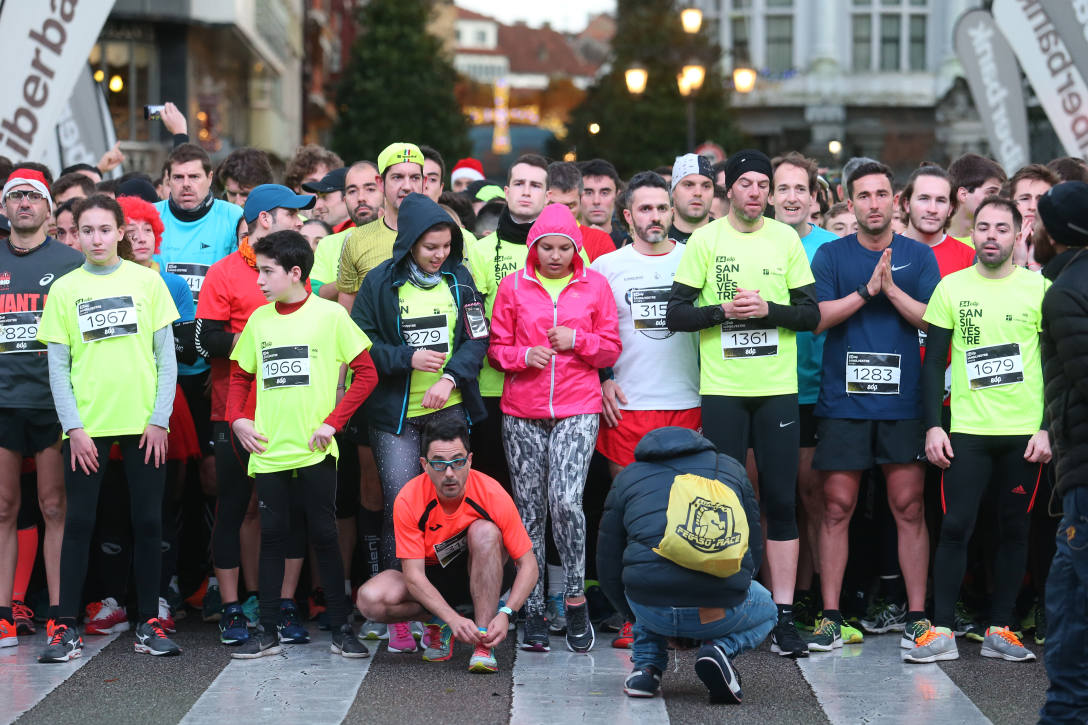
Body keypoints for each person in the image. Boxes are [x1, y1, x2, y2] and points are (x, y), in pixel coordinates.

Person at [666, 149, 819, 658]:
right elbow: (677, 314)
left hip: (776, 390)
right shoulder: (706, 240)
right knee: (718, 502)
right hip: (724, 391)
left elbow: (809, 314)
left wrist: (769, 310)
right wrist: (722, 311)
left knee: (780, 501)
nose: (755, 192)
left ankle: (783, 616)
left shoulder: (786, 239)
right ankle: (717, 609)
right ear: (728, 187)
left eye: (763, 185)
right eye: (746, 183)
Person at [903, 196, 1049, 665]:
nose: (991, 236)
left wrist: (1047, 428)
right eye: (983, 227)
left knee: (1013, 531)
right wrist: (932, 426)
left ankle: (1000, 629)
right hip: (965, 430)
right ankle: (941, 631)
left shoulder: (1038, 289)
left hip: (1023, 434)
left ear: (1019, 232)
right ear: (973, 230)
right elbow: (932, 367)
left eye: (1001, 228)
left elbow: (1056, 365)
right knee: (955, 528)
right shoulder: (951, 287)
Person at [37, 195, 181, 662]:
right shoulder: (64, 289)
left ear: (121, 231)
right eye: (87, 230)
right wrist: (73, 428)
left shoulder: (147, 282)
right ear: (75, 234)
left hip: (144, 425)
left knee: (148, 522)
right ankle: (65, 628)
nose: (96, 238)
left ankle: (149, 624)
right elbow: (58, 368)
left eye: (105, 229)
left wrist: (160, 419)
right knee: (79, 524)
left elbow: (166, 359)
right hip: (86, 428)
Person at [808, 161, 940, 654]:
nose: (874, 204)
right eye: (864, 196)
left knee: (908, 506)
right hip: (844, 402)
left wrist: (891, 289)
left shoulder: (918, 256)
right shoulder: (831, 256)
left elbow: (930, 320)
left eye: (882, 194)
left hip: (903, 402)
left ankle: (918, 615)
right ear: (850, 203)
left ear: (896, 200)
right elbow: (817, 320)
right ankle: (830, 615)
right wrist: (866, 291)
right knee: (837, 507)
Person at [227, 229, 377, 659]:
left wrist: (333, 423)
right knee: (273, 537)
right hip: (269, 449)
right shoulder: (260, 319)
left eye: (268, 272)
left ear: (295, 273)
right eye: (259, 271)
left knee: (325, 536)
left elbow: (366, 373)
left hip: (315, 449)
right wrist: (237, 418)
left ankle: (340, 629)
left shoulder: (330, 316)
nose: (259, 280)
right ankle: (268, 630)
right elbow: (240, 375)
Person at [350, 192, 489, 653]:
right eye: (430, 246)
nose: (439, 254)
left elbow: (477, 338)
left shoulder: (460, 278)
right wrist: (407, 357)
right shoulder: (379, 282)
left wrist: (449, 376)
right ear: (409, 242)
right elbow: (363, 344)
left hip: (447, 410)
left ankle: (438, 613)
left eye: (446, 245)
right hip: (394, 416)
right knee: (400, 507)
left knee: (449, 507)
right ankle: (400, 617)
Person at [488, 202, 621, 653]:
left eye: (565, 247)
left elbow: (610, 350)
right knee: (529, 512)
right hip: (521, 410)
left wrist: (577, 341)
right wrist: (523, 357)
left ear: (576, 249)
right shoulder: (513, 286)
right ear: (534, 246)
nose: (556, 255)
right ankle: (533, 609)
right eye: (547, 246)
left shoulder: (595, 285)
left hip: (578, 407)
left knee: (566, 501)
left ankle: (575, 597)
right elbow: (496, 348)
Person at [197, 184, 316, 646]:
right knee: (234, 507)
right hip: (234, 409)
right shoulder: (225, 272)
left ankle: (283, 604)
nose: (302, 222)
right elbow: (206, 339)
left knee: (289, 512)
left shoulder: (298, 267)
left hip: (294, 409)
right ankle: (233, 606)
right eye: (294, 214)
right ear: (265, 218)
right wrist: (263, 345)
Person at [597, 427, 775, 703]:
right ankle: (719, 649)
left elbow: (607, 565)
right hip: (717, 609)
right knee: (768, 609)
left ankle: (646, 669)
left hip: (652, 609)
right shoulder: (731, 468)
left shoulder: (629, 476)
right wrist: (733, 588)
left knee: (643, 576)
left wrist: (636, 617)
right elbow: (753, 549)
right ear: (701, 442)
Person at [356, 417, 537, 673]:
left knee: (485, 531)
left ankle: (483, 643)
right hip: (432, 580)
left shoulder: (492, 492)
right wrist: (451, 619)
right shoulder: (409, 498)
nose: (449, 473)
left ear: (470, 460)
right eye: (439, 464)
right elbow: (414, 577)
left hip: (484, 572)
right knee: (369, 600)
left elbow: (529, 565)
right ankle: (437, 621)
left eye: (458, 462)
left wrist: (507, 612)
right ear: (424, 465)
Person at [0, 169, 83, 647]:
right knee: (6, 506)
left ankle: (59, 612)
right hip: (4, 403)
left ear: (49, 209)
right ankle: (5, 612)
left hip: (53, 402)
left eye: (34, 196)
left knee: (54, 506)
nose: (25, 203)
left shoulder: (71, 263)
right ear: (5, 208)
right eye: (16, 196)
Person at [768, 151, 839, 630]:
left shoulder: (833, 247)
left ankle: (808, 597)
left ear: (815, 198)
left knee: (813, 496)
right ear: (769, 195)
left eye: (801, 189)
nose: (792, 197)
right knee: (759, 496)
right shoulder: (750, 241)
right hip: (758, 388)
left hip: (815, 391)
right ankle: (757, 597)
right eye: (783, 188)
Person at [464, 154, 551, 490]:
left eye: (535, 185)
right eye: (519, 184)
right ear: (506, 191)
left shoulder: (566, 250)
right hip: (491, 389)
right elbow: (471, 321)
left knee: (542, 491)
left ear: (548, 196)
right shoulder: (481, 251)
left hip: (549, 389)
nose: (526, 192)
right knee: (494, 488)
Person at [1035, 181, 1088, 724]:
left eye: (1040, 223)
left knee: (1074, 611)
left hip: (1086, 482)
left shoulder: (1066, 292)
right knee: (1066, 607)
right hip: (1077, 482)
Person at [336, 144, 424, 311]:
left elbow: (465, 297)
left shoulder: (447, 234)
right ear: (380, 183)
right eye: (397, 177)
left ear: (424, 182)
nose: (407, 186)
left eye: (414, 178)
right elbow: (346, 318)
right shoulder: (356, 240)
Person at [311, 160, 381, 301]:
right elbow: (314, 294)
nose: (361, 198)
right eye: (352, 191)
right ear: (345, 199)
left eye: (370, 189)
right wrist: (355, 277)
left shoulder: (404, 236)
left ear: (385, 192)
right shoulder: (328, 243)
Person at [544, 161, 615, 261]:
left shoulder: (599, 241)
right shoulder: (524, 237)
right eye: (553, 206)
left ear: (581, 199)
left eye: (570, 206)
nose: (561, 214)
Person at [1006, 163, 1059, 270]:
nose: (1033, 207)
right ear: (1011, 204)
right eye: (1025, 198)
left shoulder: (1064, 248)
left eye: (1041, 199)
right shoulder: (995, 247)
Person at [946, 153, 1006, 244]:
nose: (998, 200)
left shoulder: (1001, 242)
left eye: (999, 194)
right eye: (991, 192)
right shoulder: (929, 241)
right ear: (963, 195)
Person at [669, 153, 715, 244]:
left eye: (706, 186)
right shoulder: (657, 237)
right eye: (689, 185)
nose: (698, 193)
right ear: (673, 191)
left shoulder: (727, 237)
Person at [302, 167, 352, 232]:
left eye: (325, 197)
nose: (317, 206)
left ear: (348, 198)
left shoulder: (362, 235)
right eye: (318, 197)